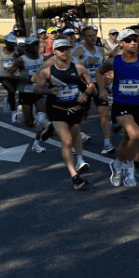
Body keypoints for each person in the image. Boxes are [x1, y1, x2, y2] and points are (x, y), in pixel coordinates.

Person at [97, 29, 139, 188]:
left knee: (127, 139)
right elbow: (99, 73)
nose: (133, 43)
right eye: (129, 40)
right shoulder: (114, 61)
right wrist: (102, 90)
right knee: (136, 135)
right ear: (121, 43)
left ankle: (117, 164)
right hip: (121, 105)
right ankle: (129, 168)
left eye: (136, 40)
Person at [31, 38, 94, 190]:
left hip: (75, 109)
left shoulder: (79, 68)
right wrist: (48, 90)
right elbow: (36, 88)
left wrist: (85, 93)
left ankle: (79, 160)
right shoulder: (47, 71)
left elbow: (91, 84)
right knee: (67, 141)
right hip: (57, 110)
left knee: (75, 134)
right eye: (61, 49)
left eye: (66, 48)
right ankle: (75, 176)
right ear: (54, 51)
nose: (64, 51)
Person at [73, 25, 116, 154]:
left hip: (98, 83)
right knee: (81, 113)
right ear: (83, 37)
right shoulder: (79, 50)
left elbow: (103, 69)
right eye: (89, 36)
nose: (92, 38)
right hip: (83, 84)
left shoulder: (100, 50)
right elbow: (72, 68)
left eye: (94, 36)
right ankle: (75, 137)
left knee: (104, 113)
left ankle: (107, 143)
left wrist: (104, 85)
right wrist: (86, 63)